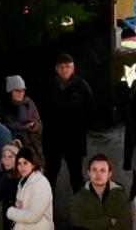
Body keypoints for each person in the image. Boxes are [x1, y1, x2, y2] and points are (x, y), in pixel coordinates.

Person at [42, 55, 94, 196]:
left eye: (68, 66)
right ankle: (46, 207)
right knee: (50, 174)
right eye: (62, 67)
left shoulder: (82, 86)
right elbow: (42, 110)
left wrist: (81, 129)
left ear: (73, 68)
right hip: (53, 138)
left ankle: (80, 207)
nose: (65, 70)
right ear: (56, 69)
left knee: (76, 175)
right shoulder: (48, 86)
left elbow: (91, 111)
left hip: (74, 139)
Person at [70, 153, 131, 230]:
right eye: (94, 170)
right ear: (89, 173)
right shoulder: (79, 197)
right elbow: (77, 225)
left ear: (109, 174)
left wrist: (90, 223)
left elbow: (126, 225)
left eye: (102, 170)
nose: (98, 174)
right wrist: (109, 221)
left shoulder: (120, 195)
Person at [6, 146, 53, 230]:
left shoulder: (40, 183)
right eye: (19, 163)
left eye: (25, 163)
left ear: (33, 164)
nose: (21, 167)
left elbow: (34, 216)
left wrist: (11, 212)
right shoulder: (23, 181)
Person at [2, 77, 42, 156]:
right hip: (9, 147)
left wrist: (33, 125)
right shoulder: (1, 107)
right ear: (10, 91)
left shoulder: (29, 103)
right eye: (17, 90)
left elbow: (39, 124)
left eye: (23, 90)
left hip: (30, 146)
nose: (21, 93)